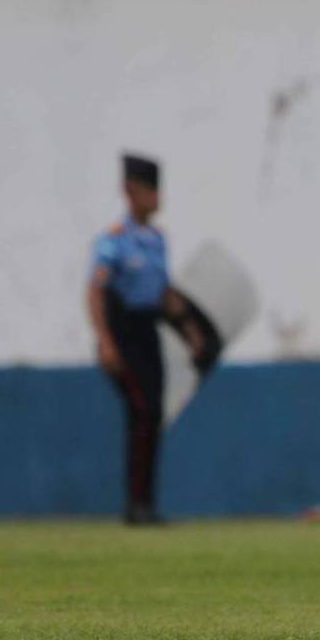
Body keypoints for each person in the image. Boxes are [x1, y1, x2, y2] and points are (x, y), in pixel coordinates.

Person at [87, 154, 211, 525]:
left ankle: (144, 504)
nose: (156, 197)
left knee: (151, 416)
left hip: (148, 336)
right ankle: (136, 505)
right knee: (141, 413)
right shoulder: (113, 241)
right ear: (130, 190)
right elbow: (95, 294)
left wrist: (190, 331)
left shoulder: (156, 240)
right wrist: (105, 341)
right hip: (122, 336)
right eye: (149, 189)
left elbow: (162, 294)